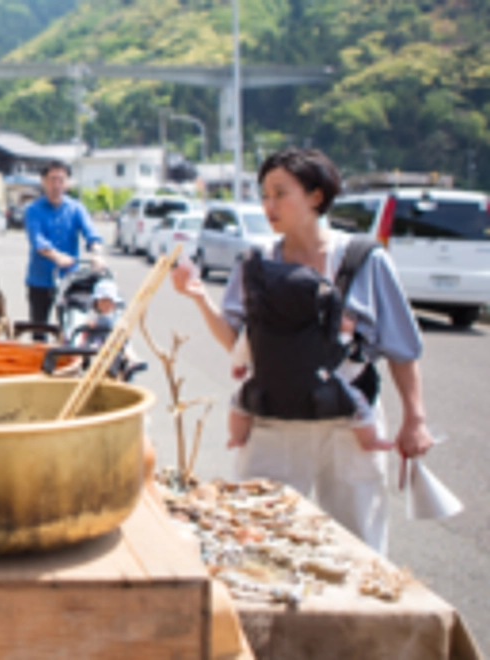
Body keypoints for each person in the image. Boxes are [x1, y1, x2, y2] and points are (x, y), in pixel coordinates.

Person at [171, 147, 434, 554]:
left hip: (347, 425)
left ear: (316, 196)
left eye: (280, 193)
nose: (269, 205)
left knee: (357, 543)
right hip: (273, 421)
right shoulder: (255, 263)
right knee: (257, 539)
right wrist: (199, 297)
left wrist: (415, 419)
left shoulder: (364, 260)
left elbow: (401, 347)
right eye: (264, 195)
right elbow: (239, 345)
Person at [227, 316, 389, 453]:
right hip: (317, 381)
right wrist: (346, 334)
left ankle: (237, 437)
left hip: (274, 381)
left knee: (239, 402)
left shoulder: (259, 322)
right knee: (357, 401)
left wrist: (238, 365)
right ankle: (369, 440)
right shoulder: (322, 322)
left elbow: (243, 348)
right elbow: (338, 351)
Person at [24, 161, 104, 337]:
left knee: (72, 328)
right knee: (39, 330)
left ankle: (69, 351)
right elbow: (38, 240)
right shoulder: (33, 210)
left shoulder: (76, 208)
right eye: (52, 179)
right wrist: (57, 256)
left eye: (61, 180)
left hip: (69, 280)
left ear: (67, 182)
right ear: (44, 181)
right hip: (40, 280)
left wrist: (96, 253)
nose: (57, 185)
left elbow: (91, 233)